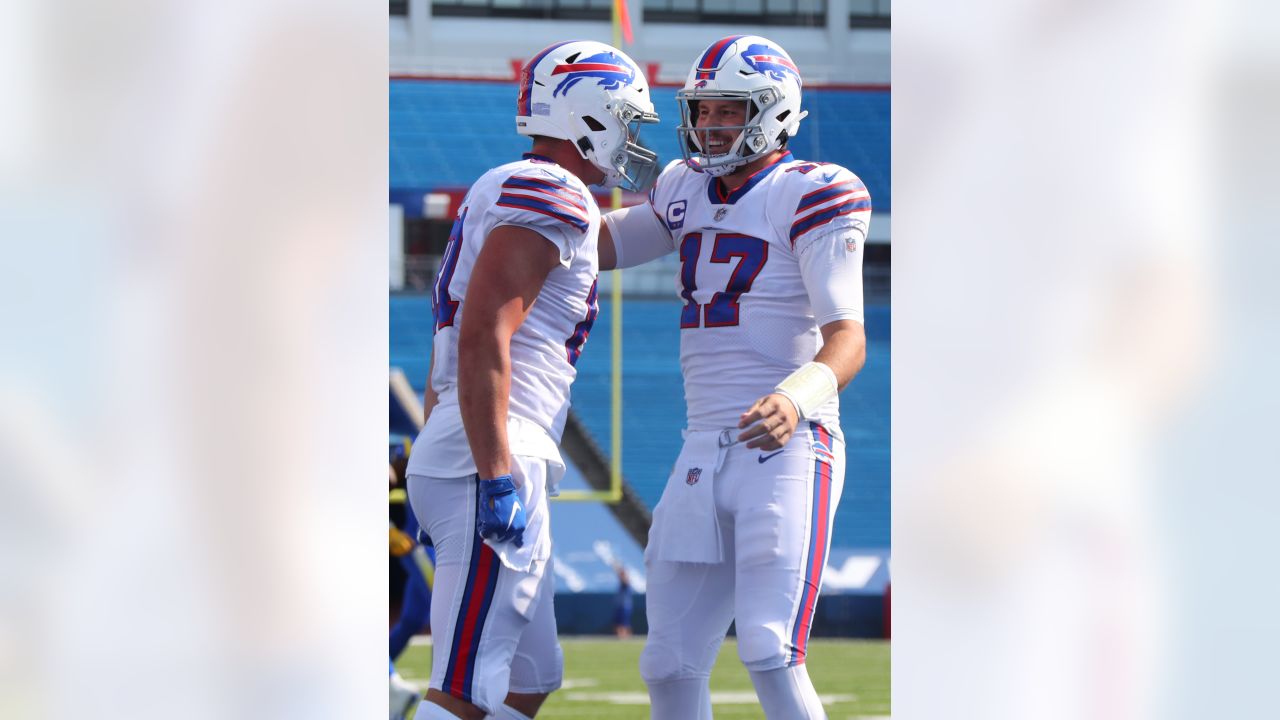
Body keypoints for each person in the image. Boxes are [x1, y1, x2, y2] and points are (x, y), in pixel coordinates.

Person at [599, 35, 869, 720]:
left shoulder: (812, 192)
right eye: (705, 110)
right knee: (666, 662)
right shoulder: (682, 186)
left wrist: (796, 397)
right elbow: (602, 242)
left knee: (769, 646)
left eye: (730, 110)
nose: (713, 124)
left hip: (786, 447)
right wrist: (540, 205)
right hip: (701, 450)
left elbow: (848, 338)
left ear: (775, 112)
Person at [404, 40, 659, 720]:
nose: (631, 138)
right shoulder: (552, 192)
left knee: (530, 678)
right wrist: (491, 472)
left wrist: (694, 204)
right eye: (626, 120)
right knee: (466, 687)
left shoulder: (524, 189)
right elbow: (485, 331)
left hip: (474, 442)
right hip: (495, 448)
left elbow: (605, 244)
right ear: (592, 115)